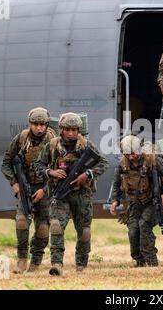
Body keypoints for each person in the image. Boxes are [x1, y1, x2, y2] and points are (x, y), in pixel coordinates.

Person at [35, 112, 109, 276]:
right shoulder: (53, 146)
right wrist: (51, 172)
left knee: (84, 231)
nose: (71, 133)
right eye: (67, 129)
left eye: (74, 129)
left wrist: (87, 174)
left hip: (82, 194)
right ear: (61, 129)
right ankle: (56, 264)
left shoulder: (85, 145)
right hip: (60, 194)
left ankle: (81, 264)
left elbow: (104, 162)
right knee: (55, 227)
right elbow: (38, 166)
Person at [1, 107, 57, 273]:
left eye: (42, 124)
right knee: (21, 222)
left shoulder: (53, 141)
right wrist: (14, 183)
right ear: (30, 124)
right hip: (25, 187)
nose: (39, 128)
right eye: (35, 124)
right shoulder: (21, 138)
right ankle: (22, 260)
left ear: (47, 125)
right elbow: (6, 162)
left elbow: (60, 169)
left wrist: (45, 190)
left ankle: (36, 261)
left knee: (43, 227)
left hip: (46, 187)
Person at [109, 135, 163, 267]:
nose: (131, 157)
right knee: (133, 230)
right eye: (127, 154)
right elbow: (117, 182)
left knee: (144, 225)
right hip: (135, 203)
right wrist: (115, 200)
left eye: (133, 153)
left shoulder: (152, 160)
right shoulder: (123, 164)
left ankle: (151, 261)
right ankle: (139, 262)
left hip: (152, 201)